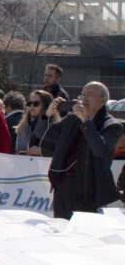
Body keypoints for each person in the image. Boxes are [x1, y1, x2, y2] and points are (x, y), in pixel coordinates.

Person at [47, 82, 123, 219]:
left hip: (88, 190)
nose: (85, 99)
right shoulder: (72, 118)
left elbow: (100, 150)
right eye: (83, 95)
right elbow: (47, 137)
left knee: (81, 234)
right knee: (60, 230)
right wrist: (48, 116)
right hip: (63, 184)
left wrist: (85, 121)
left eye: (91, 95)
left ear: (103, 100)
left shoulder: (112, 125)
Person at [14, 90, 54, 156]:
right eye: (30, 103)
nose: (32, 106)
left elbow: (60, 153)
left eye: (36, 103)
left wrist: (41, 152)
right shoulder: (25, 125)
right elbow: (17, 150)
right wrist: (24, 153)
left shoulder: (54, 127)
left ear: (45, 106)